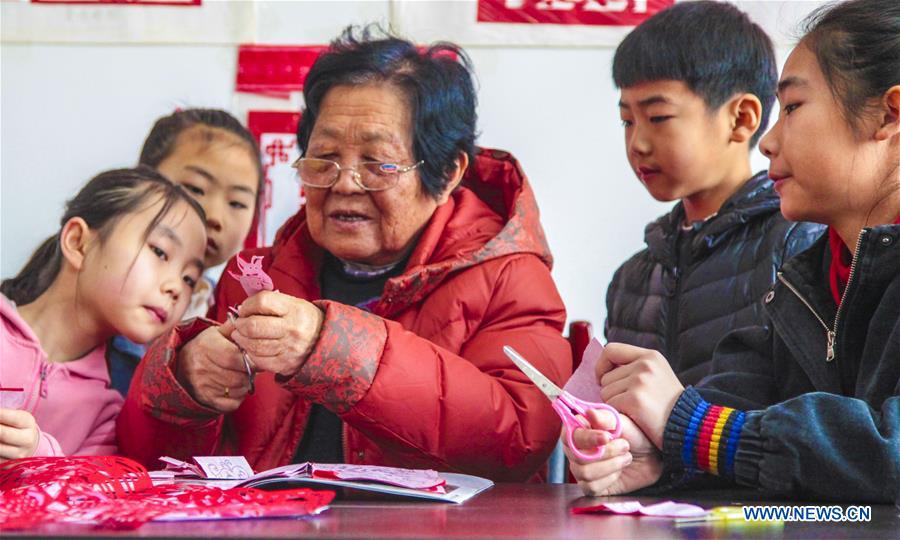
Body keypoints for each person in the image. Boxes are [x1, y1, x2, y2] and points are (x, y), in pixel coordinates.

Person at [118, 26, 572, 481]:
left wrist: (332, 348)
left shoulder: (510, 277)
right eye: (324, 158)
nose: (344, 183)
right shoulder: (254, 275)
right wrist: (184, 384)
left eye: (378, 164)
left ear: (448, 173)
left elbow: (521, 438)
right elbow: (149, 464)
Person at [567, 0, 899, 503]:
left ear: (889, 115)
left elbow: (886, 450)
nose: (768, 141)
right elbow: (742, 419)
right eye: (626, 122)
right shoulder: (805, 284)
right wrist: (654, 455)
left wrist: (687, 423)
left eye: (791, 108)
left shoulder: (789, 253)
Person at [605, 0, 823, 385]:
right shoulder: (633, 278)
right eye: (627, 120)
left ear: (741, 119)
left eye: (658, 118)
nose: (637, 142)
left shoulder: (796, 245)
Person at [0, 167, 206, 459]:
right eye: (160, 252)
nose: (176, 288)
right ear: (78, 242)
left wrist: (39, 455)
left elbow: (85, 497)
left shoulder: (106, 414)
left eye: (189, 279)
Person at [108, 109, 264, 395]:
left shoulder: (235, 313)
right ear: (142, 181)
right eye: (195, 188)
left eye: (237, 203)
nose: (215, 215)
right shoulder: (104, 288)